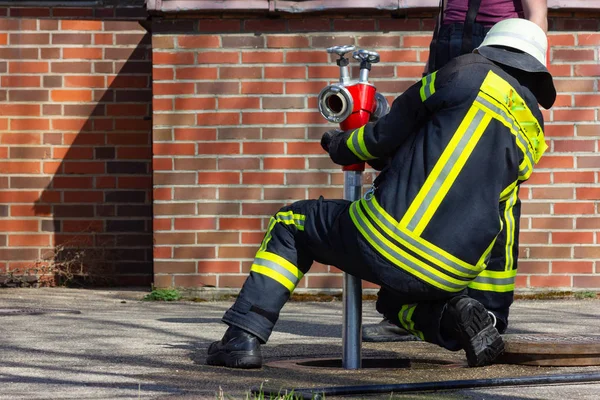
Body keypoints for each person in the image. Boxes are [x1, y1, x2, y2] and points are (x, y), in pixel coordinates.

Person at [206, 18, 556, 369]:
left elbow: (387, 134)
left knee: (292, 222)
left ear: (490, 47)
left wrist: (342, 147)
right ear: (535, 70)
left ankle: (242, 337)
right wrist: (492, 314)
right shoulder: (533, 134)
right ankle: (456, 316)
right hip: (451, 271)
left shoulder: (463, 71)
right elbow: (505, 229)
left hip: (383, 238)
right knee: (395, 304)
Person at [363, 0, 549, 343]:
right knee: (422, 173)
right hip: (449, 46)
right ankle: (407, 308)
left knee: (493, 188)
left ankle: (489, 312)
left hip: (502, 47)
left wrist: (533, 81)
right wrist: (431, 69)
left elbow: (537, 13)